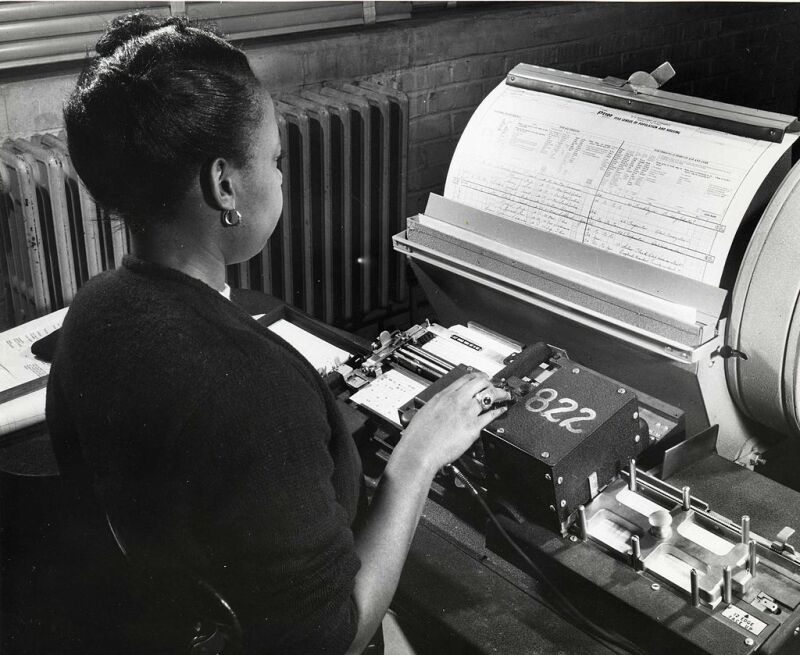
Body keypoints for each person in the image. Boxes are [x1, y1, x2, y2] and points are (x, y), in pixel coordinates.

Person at [46, 12, 509, 655]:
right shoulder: (251, 395)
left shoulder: (92, 312)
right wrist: (417, 458)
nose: (282, 176)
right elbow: (333, 638)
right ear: (224, 184)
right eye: (275, 158)